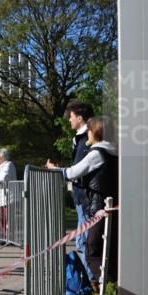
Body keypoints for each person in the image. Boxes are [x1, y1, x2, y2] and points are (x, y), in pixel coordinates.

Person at [47, 117, 117, 286]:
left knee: (93, 249)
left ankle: (106, 288)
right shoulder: (114, 151)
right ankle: (111, 286)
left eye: (89, 131)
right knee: (109, 249)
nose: (88, 134)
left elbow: (72, 173)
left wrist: (54, 169)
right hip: (111, 205)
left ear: (95, 132)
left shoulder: (97, 153)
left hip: (100, 207)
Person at [64, 100, 97, 285]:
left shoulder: (87, 140)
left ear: (80, 118)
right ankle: (93, 281)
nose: (69, 120)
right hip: (81, 197)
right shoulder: (80, 139)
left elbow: (79, 170)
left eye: (71, 117)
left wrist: (58, 171)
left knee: (84, 241)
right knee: (81, 241)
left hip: (85, 198)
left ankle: (94, 282)